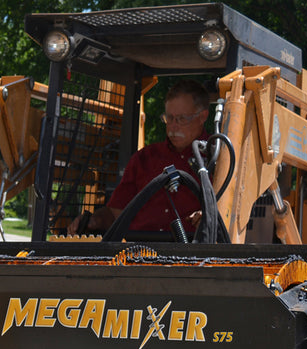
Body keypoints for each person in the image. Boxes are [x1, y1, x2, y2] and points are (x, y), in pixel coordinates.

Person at [69, 79, 210, 235]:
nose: (173, 126)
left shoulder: (219, 159)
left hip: (194, 252)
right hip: (138, 252)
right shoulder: (144, 158)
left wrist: (209, 217)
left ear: (203, 116)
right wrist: (96, 220)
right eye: (169, 118)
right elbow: (116, 213)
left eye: (182, 119)